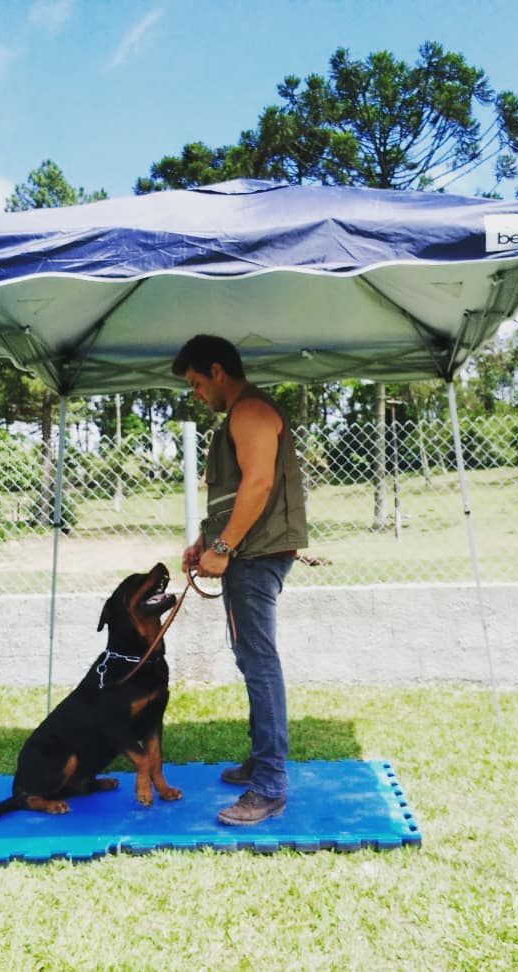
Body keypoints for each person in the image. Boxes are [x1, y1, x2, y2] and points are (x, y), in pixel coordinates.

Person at [173, 334, 309, 825]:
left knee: (259, 662)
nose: (196, 394)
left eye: (196, 383)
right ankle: (261, 761)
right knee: (251, 658)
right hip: (243, 553)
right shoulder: (241, 415)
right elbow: (236, 495)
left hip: (253, 556)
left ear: (217, 371)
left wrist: (224, 549)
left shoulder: (249, 411)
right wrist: (206, 544)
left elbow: (259, 484)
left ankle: (269, 786)